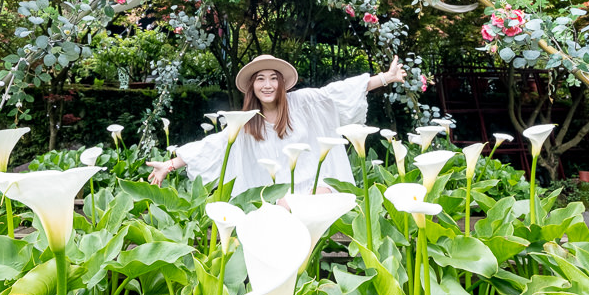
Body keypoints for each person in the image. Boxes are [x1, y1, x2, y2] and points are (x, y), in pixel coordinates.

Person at [146, 54, 406, 195]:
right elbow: (214, 145)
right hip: (278, 199)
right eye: (260, 79)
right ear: (253, 86)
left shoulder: (303, 102)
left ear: (282, 84)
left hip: (315, 191)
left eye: (273, 78)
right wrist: (168, 165)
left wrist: (385, 77)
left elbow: (337, 92)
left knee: (312, 201)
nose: (267, 85)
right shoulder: (248, 123)